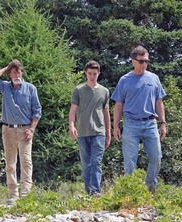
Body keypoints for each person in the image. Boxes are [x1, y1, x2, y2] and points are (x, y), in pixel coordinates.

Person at [111, 45, 167, 193]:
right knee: (130, 161)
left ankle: (150, 187)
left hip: (150, 123)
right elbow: (118, 104)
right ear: (133, 61)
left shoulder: (154, 78)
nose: (144, 64)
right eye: (141, 61)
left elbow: (159, 102)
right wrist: (115, 126)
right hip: (130, 123)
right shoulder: (124, 80)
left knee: (156, 158)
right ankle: (131, 191)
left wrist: (163, 123)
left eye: (146, 61)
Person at [0, 59, 42, 205]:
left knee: (26, 161)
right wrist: (6, 68)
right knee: (10, 163)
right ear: (9, 75)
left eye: (17, 71)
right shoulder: (4, 87)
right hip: (8, 129)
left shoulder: (30, 88)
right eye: (12, 72)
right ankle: (13, 195)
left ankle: (25, 194)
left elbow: (37, 111)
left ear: (21, 72)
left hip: (25, 129)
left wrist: (32, 129)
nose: (16, 74)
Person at [69, 60, 111, 195]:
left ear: (98, 74)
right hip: (82, 131)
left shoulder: (104, 91)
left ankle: (95, 192)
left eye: (95, 73)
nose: (92, 76)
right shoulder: (78, 90)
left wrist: (108, 133)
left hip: (99, 131)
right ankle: (89, 193)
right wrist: (71, 126)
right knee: (86, 165)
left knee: (96, 163)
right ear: (86, 74)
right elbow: (73, 110)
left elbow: (106, 113)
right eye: (89, 73)